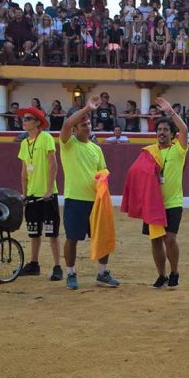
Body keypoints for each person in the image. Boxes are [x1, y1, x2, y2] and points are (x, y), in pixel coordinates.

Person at [58, 95, 119, 290]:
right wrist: (86, 109)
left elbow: (103, 172)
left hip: (96, 201)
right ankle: (70, 273)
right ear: (75, 129)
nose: (87, 126)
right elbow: (67, 124)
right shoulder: (68, 144)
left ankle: (102, 273)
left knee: (102, 237)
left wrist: (103, 183)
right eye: (83, 124)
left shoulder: (96, 149)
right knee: (72, 238)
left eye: (88, 124)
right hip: (75, 199)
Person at [143, 98, 189, 289]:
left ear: (172, 134)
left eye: (165, 130)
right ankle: (161, 275)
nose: (161, 133)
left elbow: (185, 130)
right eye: (159, 130)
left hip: (172, 202)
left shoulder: (179, 150)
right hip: (152, 203)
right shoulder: (148, 152)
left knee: (170, 238)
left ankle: (174, 271)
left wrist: (171, 111)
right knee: (155, 241)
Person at [17, 106, 63, 280]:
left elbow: (53, 165)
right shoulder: (24, 143)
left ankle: (57, 266)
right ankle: (34, 263)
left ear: (38, 122)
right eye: (24, 118)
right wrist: (24, 194)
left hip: (46, 194)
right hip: (32, 194)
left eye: (28, 118)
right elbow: (23, 172)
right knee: (34, 232)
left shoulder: (46, 138)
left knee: (52, 232)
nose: (24, 121)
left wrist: (49, 189)